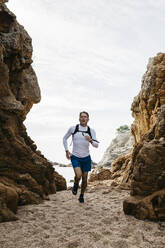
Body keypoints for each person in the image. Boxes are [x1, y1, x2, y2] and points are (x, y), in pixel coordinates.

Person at [63, 111, 99, 203]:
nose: (83, 118)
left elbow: (96, 145)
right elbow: (64, 138)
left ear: (88, 119)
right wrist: (67, 150)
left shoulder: (91, 131)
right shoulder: (73, 128)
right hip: (75, 156)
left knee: (85, 179)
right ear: (79, 118)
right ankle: (75, 184)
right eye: (82, 117)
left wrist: (90, 140)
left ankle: (82, 195)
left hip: (86, 158)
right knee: (78, 175)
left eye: (85, 117)